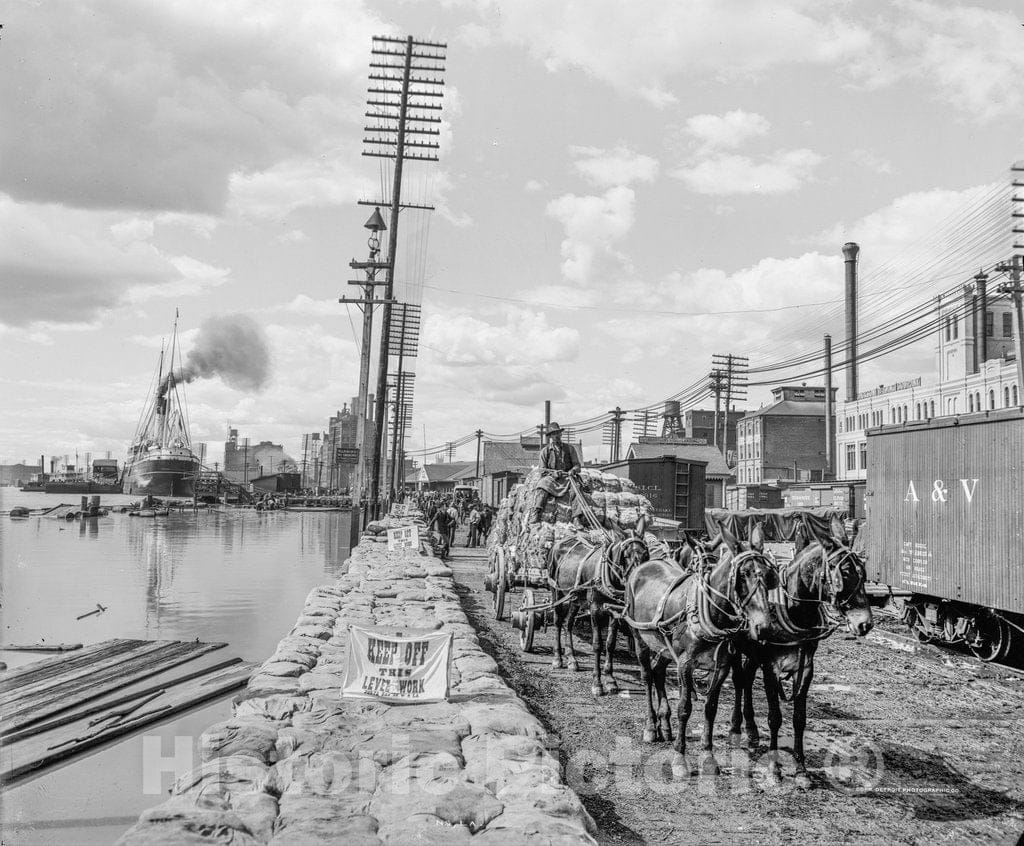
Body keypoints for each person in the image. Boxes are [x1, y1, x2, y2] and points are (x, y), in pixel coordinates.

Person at [530, 422, 581, 524]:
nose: (556, 436)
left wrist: (572, 471)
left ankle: (576, 517)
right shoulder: (545, 451)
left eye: (558, 433)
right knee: (542, 484)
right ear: (550, 437)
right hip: (552, 479)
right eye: (553, 434)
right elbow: (542, 470)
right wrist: (553, 474)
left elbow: (577, 466)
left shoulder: (570, 449)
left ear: (561, 434)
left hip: (567, 478)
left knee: (576, 487)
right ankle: (537, 512)